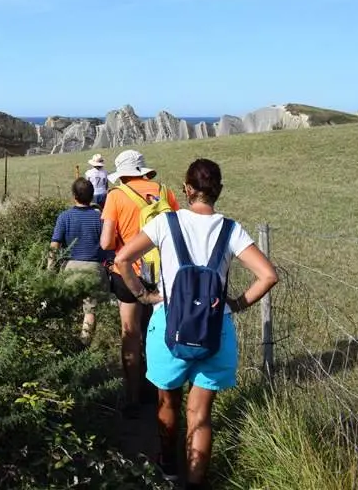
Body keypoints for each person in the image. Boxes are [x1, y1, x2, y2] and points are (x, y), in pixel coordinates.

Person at [114, 159, 277, 488]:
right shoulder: (231, 230)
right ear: (219, 191)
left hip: (167, 327)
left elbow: (122, 259)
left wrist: (143, 295)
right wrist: (237, 304)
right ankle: (196, 483)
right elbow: (268, 275)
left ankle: (169, 465)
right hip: (215, 330)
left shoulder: (165, 223)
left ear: (187, 189)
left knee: (167, 401)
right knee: (200, 415)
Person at [100, 149, 180, 418]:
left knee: (131, 334)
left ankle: (133, 395)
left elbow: (106, 242)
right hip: (162, 274)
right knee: (157, 334)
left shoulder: (116, 196)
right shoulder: (165, 191)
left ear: (122, 173)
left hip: (129, 273)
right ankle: (162, 394)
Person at [47, 178, 110, 345]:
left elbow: (55, 245)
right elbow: (108, 246)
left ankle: (62, 342)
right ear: (92, 196)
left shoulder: (64, 217)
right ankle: (83, 345)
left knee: (65, 307)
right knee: (90, 311)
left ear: (74, 195)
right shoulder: (100, 219)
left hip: (70, 268)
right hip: (94, 269)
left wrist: (49, 270)